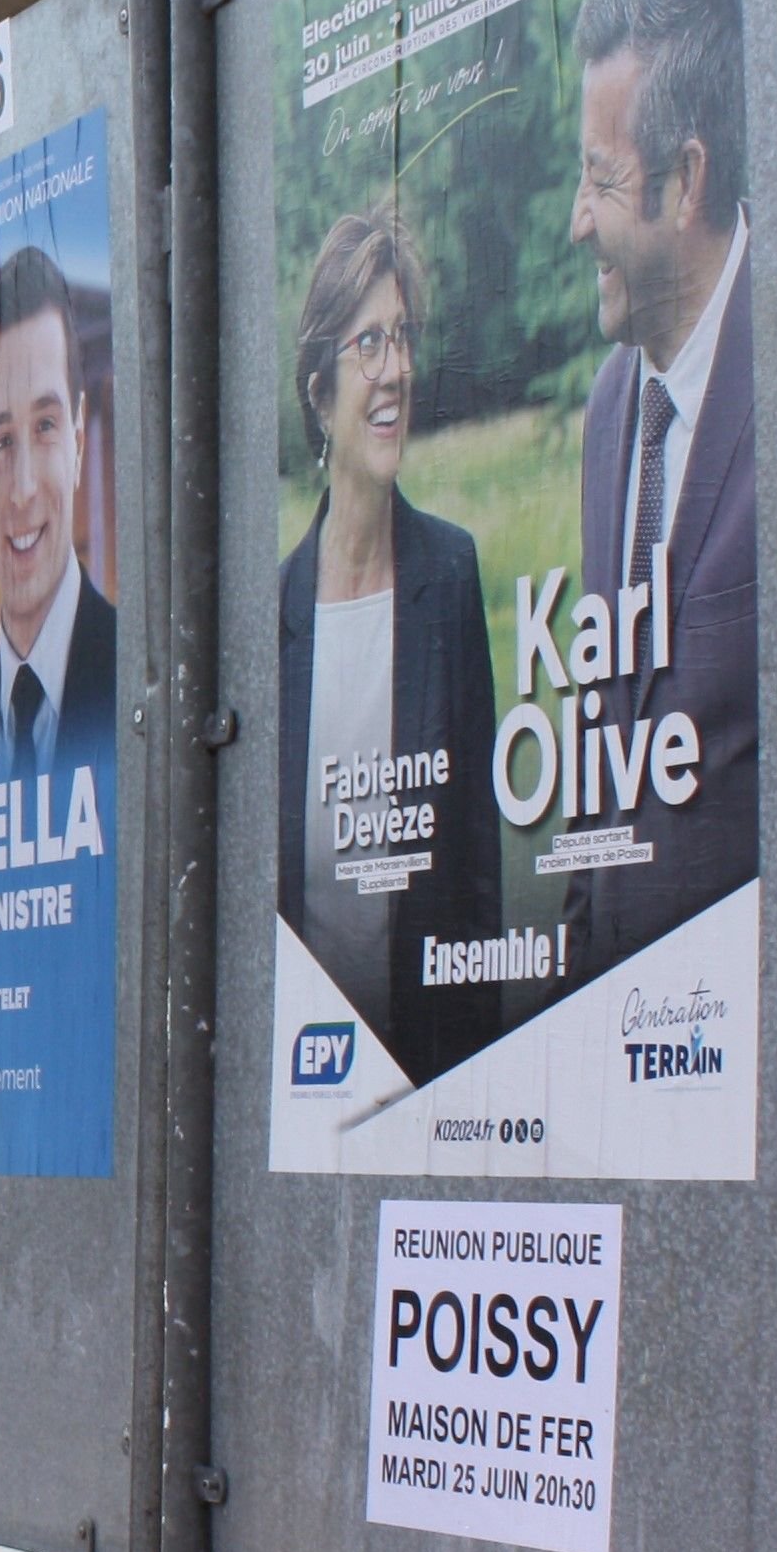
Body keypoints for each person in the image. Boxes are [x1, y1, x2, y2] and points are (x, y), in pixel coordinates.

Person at [564, 0, 756, 981]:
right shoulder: (609, 412)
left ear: (685, 184)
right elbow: (606, 755)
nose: (575, 221)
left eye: (599, 178)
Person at [274, 209, 501, 1078]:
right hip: (305, 1087)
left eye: (401, 339)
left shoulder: (448, 575)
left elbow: (479, 878)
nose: (397, 369)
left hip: (430, 1074)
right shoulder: (276, 611)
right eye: (369, 343)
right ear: (319, 392)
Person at [0, 245, 117, 797]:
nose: (23, 488)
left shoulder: (136, 686)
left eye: (44, 427)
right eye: (4, 439)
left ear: (80, 442)